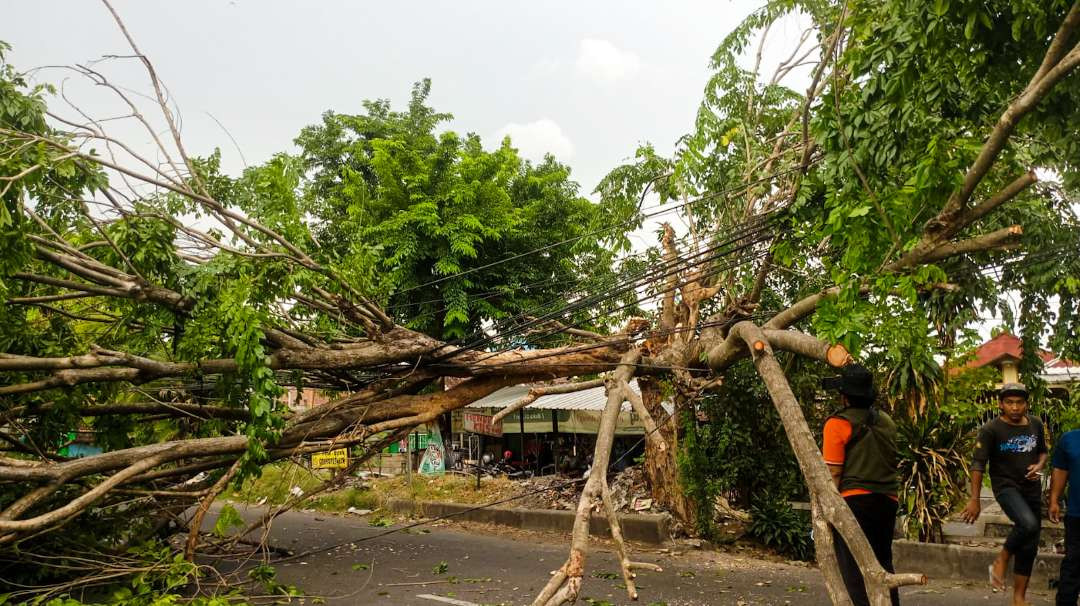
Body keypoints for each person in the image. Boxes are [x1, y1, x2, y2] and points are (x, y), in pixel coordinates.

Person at [960, 382, 1048, 605]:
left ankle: (1019, 598)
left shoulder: (1036, 424)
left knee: (1029, 543)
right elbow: (978, 465)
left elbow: (1043, 454)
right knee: (1028, 524)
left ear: (1026, 404)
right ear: (1001, 405)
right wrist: (974, 500)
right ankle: (1002, 558)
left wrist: (1039, 466)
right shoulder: (991, 430)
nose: (1015, 407)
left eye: (1019, 402)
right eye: (1009, 402)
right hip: (1006, 487)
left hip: (1032, 489)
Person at [821, 364, 900, 606]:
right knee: (883, 564)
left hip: (854, 501)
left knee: (853, 568)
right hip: (888, 501)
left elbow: (833, 472)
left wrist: (828, 511)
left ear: (844, 397)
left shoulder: (837, 424)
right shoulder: (887, 421)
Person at [1050, 426, 1080, 605]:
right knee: (1074, 562)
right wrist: (1054, 500)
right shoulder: (1069, 439)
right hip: (1077, 514)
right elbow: (1060, 470)